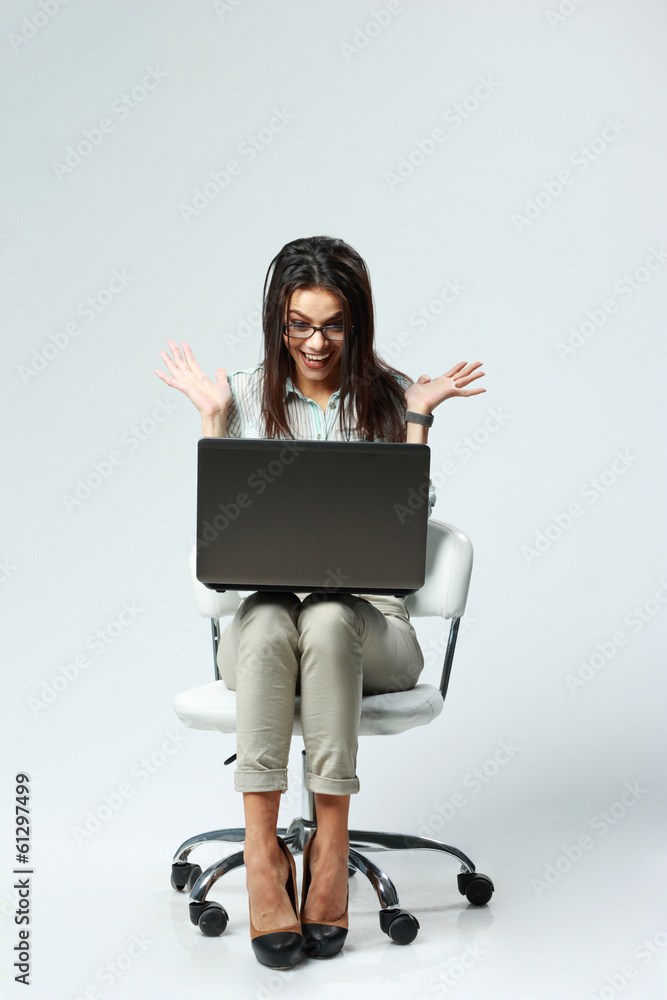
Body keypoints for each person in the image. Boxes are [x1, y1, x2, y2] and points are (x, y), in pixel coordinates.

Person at [154, 235, 485, 969]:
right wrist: (213, 424)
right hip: (265, 634)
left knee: (330, 615)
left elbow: (398, 555)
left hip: (372, 629)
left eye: (331, 324)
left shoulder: (392, 394)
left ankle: (328, 849)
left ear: (356, 322)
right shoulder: (241, 394)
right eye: (298, 323)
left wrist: (418, 420)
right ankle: (265, 854)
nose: (314, 341)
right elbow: (220, 569)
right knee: (272, 616)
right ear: (277, 321)